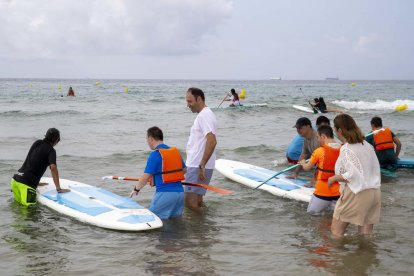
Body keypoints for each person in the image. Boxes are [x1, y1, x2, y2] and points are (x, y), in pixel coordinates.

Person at [327, 114, 381, 238]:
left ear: (339, 130)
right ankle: (366, 257)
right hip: (374, 192)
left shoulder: (346, 149)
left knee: (336, 232)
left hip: (357, 192)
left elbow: (352, 174)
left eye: (335, 129)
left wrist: (333, 178)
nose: (334, 131)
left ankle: (338, 257)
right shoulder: (367, 145)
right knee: (366, 236)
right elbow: (374, 169)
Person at [130, 126, 185, 219]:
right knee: (174, 223)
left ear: (151, 138)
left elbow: (145, 177)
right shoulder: (175, 152)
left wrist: (136, 189)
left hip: (165, 193)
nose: (147, 142)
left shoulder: (155, 154)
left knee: (153, 220)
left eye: (147, 139)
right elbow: (184, 170)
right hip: (180, 194)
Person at [11, 128, 70, 206]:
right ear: (55, 140)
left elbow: (33, 160)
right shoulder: (51, 151)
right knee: (30, 213)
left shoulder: (37, 143)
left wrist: (36, 181)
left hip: (16, 180)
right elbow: (53, 168)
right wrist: (58, 188)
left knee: (18, 208)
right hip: (27, 185)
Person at [185, 87, 217, 212]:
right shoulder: (207, 114)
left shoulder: (204, 115)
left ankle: (199, 228)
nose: (188, 105)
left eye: (190, 101)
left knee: (189, 202)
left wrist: (202, 164)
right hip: (200, 165)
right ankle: (203, 228)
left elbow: (212, 140)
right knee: (197, 201)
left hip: (197, 165)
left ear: (199, 99)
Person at [299, 125, 341, 215]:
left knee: (311, 215)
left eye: (318, 137)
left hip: (322, 192)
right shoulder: (343, 149)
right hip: (338, 192)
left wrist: (302, 163)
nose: (317, 140)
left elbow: (307, 168)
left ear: (323, 137)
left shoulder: (319, 151)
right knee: (333, 218)